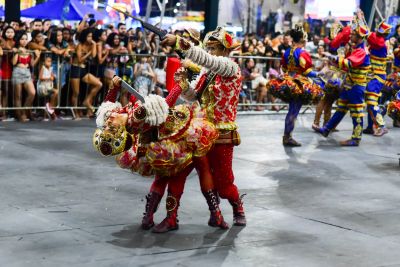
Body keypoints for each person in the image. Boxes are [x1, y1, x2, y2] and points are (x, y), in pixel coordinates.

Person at [94, 76, 229, 233]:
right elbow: (164, 107)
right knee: (194, 169)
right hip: (174, 135)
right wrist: (179, 86)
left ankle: (149, 217)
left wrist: (114, 87)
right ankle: (211, 214)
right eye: (111, 126)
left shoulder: (113, 118)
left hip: (158, 141)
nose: (109, 121)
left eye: (107, 126)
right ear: (119, 131)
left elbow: (107, 106)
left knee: (184, 172)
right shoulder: (137, 116)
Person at [161, 26, 247, 226]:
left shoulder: (230, 68)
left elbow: (208, 61)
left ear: (225, 51)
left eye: (215, 49)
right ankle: (171, 217)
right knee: (178, 171)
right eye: (209, 48)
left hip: (221, 133)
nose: (210, 53)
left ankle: (236, 205)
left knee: (223, 184)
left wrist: (178, 43)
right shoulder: (208, 73)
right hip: (199, 131)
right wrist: (183, 85)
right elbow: (193, 98)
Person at [313, 20, 371, 146]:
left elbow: (348, 63)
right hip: (348, 84)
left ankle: (356, 138)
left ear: (360, 37)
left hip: (356, 87)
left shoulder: (361, 51)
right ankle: (327, 128)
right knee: (340, 109)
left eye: (353, 35)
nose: (350, 36)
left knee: (356, 112)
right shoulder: (355, 49)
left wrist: (331, 56)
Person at [271, 25, 323, 146]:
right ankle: (287, 137)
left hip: (289, 82)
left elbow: (283, 67)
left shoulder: (288, 52)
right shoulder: (302, 53)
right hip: (299, 84)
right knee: (293, 112)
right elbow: (307, 72)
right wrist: (319, 73)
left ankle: (287, 136)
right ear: (303, 40)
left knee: (292, 110)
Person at [362, 18, 391, 137]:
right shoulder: (378, 41)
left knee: (372, 101)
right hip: (373, 75)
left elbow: (366, 33)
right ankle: (370, 127)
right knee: (370, 101)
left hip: (377, 77)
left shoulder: (379, 42)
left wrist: (360, 18)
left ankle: (381, 126)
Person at [70, 28, 102, 118]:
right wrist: (88, 53)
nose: (90, 38)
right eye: (88, 36)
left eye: (91, 36)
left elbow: (94, 55)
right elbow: (80, 59)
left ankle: (87, 101)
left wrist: (94, 45)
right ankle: (75, 113)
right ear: (85, 37)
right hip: (76, 68)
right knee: (76, 93)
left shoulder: (91, 45)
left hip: (83, 70)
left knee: (98, 84)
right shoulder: (80, 45)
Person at [12, 32, 41, 122]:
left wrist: (38, 56)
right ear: (18, 40)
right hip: (17, 72)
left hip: (27, 73)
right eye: (22, 39)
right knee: (18, 96)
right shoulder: (15, 49)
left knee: (32, 93)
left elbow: (32, 64)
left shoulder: (29, 50)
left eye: (25, 39)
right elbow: (13, 63)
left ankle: (25, 112)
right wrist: (17, 52)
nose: (24, 41)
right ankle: (19, 115)